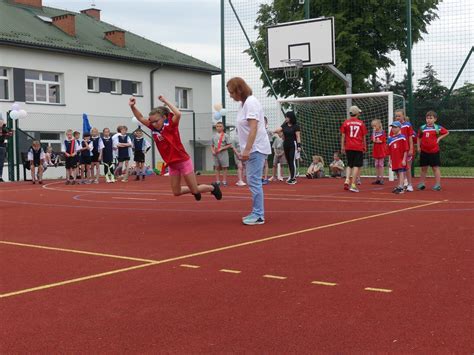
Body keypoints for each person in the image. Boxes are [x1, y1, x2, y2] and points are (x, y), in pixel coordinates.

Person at [129, 95, 222, 201]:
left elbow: (178, 113)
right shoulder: (153, 127)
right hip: (172, 164)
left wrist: (165, 101)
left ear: (164, 117)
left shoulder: (171, 125)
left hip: (183, 161)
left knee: (195, 190)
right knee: (176, 192)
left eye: (156, 121)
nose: (154, 124)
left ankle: (213, 187)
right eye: (152, 121)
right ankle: (194, 188)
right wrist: (132, 106)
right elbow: (140, 117)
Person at [227, 77, 271, 225]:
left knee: (253, 180)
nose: (230, 95)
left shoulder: (251, 103)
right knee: (252, 180)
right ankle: (257, 212)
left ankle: (259, 215)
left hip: (256, 148)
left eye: (232, 92)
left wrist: (247, 150)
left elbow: (253, 128)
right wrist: (244, 149)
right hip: (252, 147)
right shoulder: (243, 104)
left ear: (239, 90)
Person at [417, 110, 449, 191]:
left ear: (435, 119)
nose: (429, 120)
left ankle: (438, 184)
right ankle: (421, 183)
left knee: (435, 168)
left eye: (431, 118)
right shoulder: (422, 128)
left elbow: (446, 132)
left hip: (434, 151)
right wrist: (418, 147)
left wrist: (439, 138)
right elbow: (418, 137)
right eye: (427, 118)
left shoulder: (437, 127)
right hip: (424, 151)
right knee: (423, 168)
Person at [340, 105, 368, 193]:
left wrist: (342, 146)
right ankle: (353, 184)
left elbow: (343, 136)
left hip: (348, 146)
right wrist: (365, 146)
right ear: (357, 113)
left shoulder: (346, 122)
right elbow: (363, 136)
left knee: (349, 164)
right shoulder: (361, 123)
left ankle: (347, 179)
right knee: (357, 165)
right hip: (358, 146)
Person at [273, 111, 301, 185]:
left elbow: (298, 137)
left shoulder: (296, 126)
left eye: (287, 117)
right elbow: (276, 130)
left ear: (291, 117)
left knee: (292, 161)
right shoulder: (284, 126)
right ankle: (291, 176)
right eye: (285, 117)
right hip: (286, 144)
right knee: (288, 161)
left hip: (293, 144)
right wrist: (283, 123)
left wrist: (299, 146)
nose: (286, 118)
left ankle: (293, 178)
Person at [392, 109, 415, 191]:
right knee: (397, 168)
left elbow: (410, 138)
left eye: (399, 116)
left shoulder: (407, 125)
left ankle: (410, 185)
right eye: (396, 116)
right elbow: (392, 138)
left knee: (408, 167)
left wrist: (411, 148)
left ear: (403, 116)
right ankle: (401, 184)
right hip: (397, 151)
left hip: (406, 149)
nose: (397, 117)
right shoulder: (394, 126)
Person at [387, 121, 409, 194]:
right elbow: (389, 151)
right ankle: (399, 185)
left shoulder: (402, 137)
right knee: (397, 172)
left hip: (400, 158)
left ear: (399, 128)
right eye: (392, 127)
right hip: (394, 159)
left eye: (395, 127)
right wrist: (389, 161)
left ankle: (401, 187)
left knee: (401, 172)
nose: (393, 129)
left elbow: (406, 149)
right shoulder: (390, 139)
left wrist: (404, 160)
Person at [211, 121, 232, 186]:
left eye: (220, 126)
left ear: (223, 127)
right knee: (217, 167)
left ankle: (224, 181)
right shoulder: (213, 136)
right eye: (217, 126)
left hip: (223, 153)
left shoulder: (226, 136)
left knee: (224, 167)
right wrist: (212, 151)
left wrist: (222, 148)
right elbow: (212, 145)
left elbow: (229, 145)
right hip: (216, 153)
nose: (218, 128)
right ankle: (217, 181)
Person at [371, 119, 387, 185]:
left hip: (381, 150)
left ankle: (381, 178)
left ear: (379, 125)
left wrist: (377, 140)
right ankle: (377, 178)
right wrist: (374, 132)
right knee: (376, 164)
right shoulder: (374, 133)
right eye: (373, 126)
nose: (374, 127)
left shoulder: (383, 132)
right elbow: (374, 140)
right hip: (376, 150)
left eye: (375, 125)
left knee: (381, 164)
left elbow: (381, 141)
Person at [262, 116, 272, 185]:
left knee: (265, 163)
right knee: (260, 164)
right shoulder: (257, 130)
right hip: (259, 148)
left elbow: (269, 141)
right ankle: (260, 177)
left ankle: (265, 178)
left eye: (264, 122)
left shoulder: (268, 131)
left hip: (265, 148)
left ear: (266, 123)